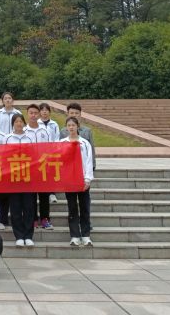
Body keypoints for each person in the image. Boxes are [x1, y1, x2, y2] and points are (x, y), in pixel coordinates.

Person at [60, 115, 94, 247]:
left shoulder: (84, 143)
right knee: (72, 208)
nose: (71, 127)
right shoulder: (62, 143)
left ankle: (86, 235)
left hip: (83, 180)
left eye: (73, 125)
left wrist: (87, 179)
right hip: (69, 181)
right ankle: (74, 235)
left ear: (77, 127)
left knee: (84, 207)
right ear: (66, 127)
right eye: (69, 125)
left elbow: (88, 161)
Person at [6, 113, 35, 247]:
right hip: (13, 179)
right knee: (16, 208)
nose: (18, 124)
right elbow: (4, 158)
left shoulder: (30, 137)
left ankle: (28, 235)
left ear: (24, 123)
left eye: (20, 121)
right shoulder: (8, 139)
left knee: (29, 207)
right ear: (13, 124)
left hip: (28, 178)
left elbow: (35, 156)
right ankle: (18, 235)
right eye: (16, 121)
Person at [59, 103, 96, 171]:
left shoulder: (87, 131)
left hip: (83, 165)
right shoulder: (63, 131)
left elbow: (91, 150)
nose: (74, 115)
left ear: (80, 114)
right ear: (68, 114)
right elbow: (60, 150)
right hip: (68, 165)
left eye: (76, 113)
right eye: (72, 113)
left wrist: (93, 165)